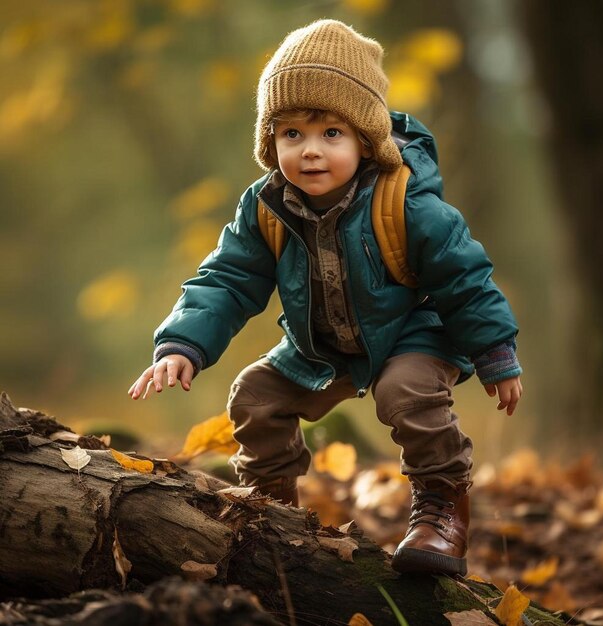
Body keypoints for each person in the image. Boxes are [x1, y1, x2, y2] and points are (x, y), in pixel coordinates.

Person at [129, 19, 522, 577]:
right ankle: (273, 512)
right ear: (270, 142)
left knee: (405, 393)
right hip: (324, 341)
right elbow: (227, 279)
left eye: (331, 134)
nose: (310, 152)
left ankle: (443, 507)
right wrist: (182, 344)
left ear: (366, 138)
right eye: (291, 135)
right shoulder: (266, 206)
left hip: (412, 331)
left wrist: (495, 353)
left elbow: (466, 278)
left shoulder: (405, 202)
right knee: (255, 396)